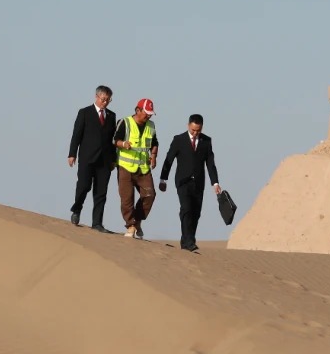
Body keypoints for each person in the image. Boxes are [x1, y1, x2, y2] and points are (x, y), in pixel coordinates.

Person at [158, 113, 221, 252]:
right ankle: (189, 242)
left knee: (196, 212)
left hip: (199, 182)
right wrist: (163, 179)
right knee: (186, 208)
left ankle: (187, 240)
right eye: (193, 130)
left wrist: (215, 183)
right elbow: (169, 159)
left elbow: (210, 164)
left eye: (198, 130)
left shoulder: (206, 141)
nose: (195, 133)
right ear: (188, 126)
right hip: (182, 181)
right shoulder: (179, 139)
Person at [67, 85, 118, 231]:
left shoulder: (112, 116)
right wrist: (72, 154)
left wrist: (113, 159)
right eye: (103, 99)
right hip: (87, 158)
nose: (105, 102)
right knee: (83, 186)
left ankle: (97, 223)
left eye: (108, 100)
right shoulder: (85, 112)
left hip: (105, 161)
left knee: (101, 192)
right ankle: (77, 209)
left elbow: (112, 139)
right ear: (96, 96)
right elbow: (76, 134)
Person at [114, 98, 159, 239]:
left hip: (143, 167)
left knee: (150, 195)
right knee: (127, 199)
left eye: (150, 114)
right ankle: (131, 225)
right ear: (138, 110)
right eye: (146, 113)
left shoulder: (151, 126)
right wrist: (123, 144)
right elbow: (114, 140)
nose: (148, 116)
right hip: (125, 167)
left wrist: (153, 156)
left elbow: (155, 143)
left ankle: (137, 220)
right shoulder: (125, 122)